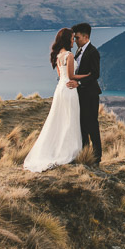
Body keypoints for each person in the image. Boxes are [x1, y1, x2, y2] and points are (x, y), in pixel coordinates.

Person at [23, 28, 83, 172]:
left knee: (59, 119)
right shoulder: (68, 55)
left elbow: (61, 75)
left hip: (60, 89)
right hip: (69, 90)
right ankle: (68, 150)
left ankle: (54, 148)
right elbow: (70, 76)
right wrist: (86, 77)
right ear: (67, 39)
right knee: (69, 119)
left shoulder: (58, 56)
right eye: (72, 38)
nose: (74, 40)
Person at [67, 22, 102, 164]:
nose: (75, 41)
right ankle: (85, 153)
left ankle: (97, 156)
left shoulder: (93, 52)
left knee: (92, 124)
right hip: (80, 94)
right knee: (81, 124)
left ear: (86, 37)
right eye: (74, 38)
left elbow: (95, 74)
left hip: (91, 94)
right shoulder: (79, 51)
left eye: (77, 38)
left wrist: (79, 83)